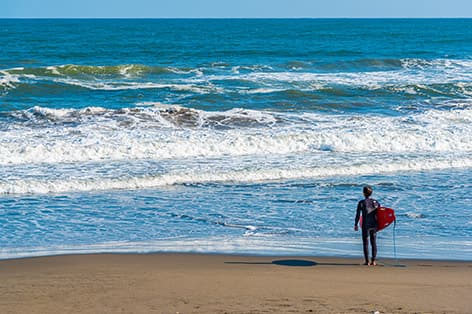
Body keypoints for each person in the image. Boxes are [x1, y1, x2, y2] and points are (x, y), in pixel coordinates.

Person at [354, 186, 380, 266]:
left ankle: (367, 261)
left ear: (364, 193)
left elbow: (358, 214)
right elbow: (380, 213)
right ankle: (373, 261)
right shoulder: (375, 202)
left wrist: (356, 224)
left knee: (365, 243)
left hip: (365, 225)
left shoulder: (361, 202)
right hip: (374, 224)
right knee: (373, 242)